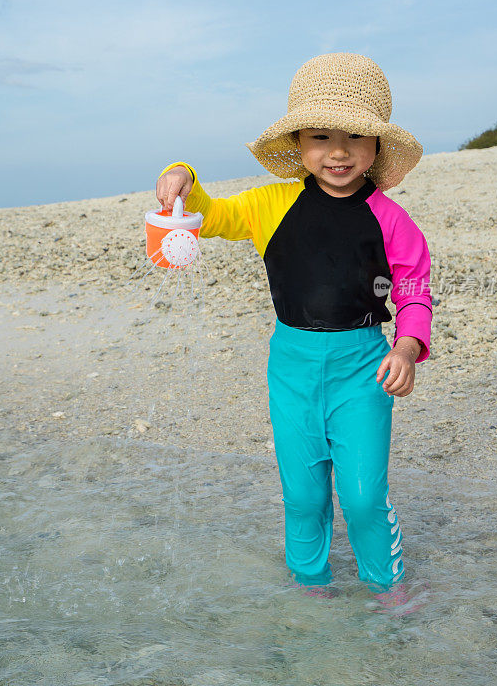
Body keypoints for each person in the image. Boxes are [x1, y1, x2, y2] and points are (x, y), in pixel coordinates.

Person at [156, 53, 433, 613]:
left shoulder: (391, 219)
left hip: (363, 367)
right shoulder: (270, 204)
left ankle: (389, 588)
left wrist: (407, 345)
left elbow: (413, 290)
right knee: (304, 496)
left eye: (355, 137)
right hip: (292, 367)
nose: (337, 152)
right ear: (300, 144)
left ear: (377, 147)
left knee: (361, 497)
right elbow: (210, 215)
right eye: (321, 136)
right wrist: (182, 175)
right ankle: (309, 590)